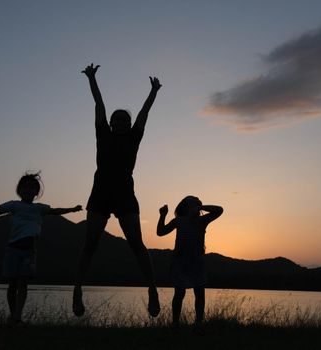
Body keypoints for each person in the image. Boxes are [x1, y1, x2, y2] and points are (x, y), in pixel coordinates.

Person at [73, 63, 162, 317]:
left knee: (137, 244)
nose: (120, 122)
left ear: (129, 123)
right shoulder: (102, 133)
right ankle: (77, 291)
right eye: (116, 119)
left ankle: (153, 290)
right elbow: (99, 104)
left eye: (125, 119)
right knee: (90, 244)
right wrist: (91, 78)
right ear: (110, 123)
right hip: (100, 193)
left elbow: (144, 114)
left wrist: (154, 92)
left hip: (125, 194)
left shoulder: (134, 137)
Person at [0, 172, 82, 325]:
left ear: (36, 192)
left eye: (32, 188)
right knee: (12, 284)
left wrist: (72, 209)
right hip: (12, 249)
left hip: (29, 251)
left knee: (23, 283)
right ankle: (13, 315)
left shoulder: (39, 208)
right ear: (20, 190)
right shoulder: (14, 205)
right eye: (25, 188)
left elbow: (56, 211)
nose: (29, 191)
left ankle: (18, 316)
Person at [156, 196, 223, 331]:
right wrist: (162, 215)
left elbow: (219, 210)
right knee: (179, 294)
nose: (197, 204)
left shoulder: (202, 220)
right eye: (194, 203)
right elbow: (160, 232)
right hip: (180, 262)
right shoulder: (178, 221)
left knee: (199, 293)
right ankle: (175, 324)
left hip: (197, 262)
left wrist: (202, 208)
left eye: (198, 203)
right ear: (185, 206)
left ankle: (198, 323)